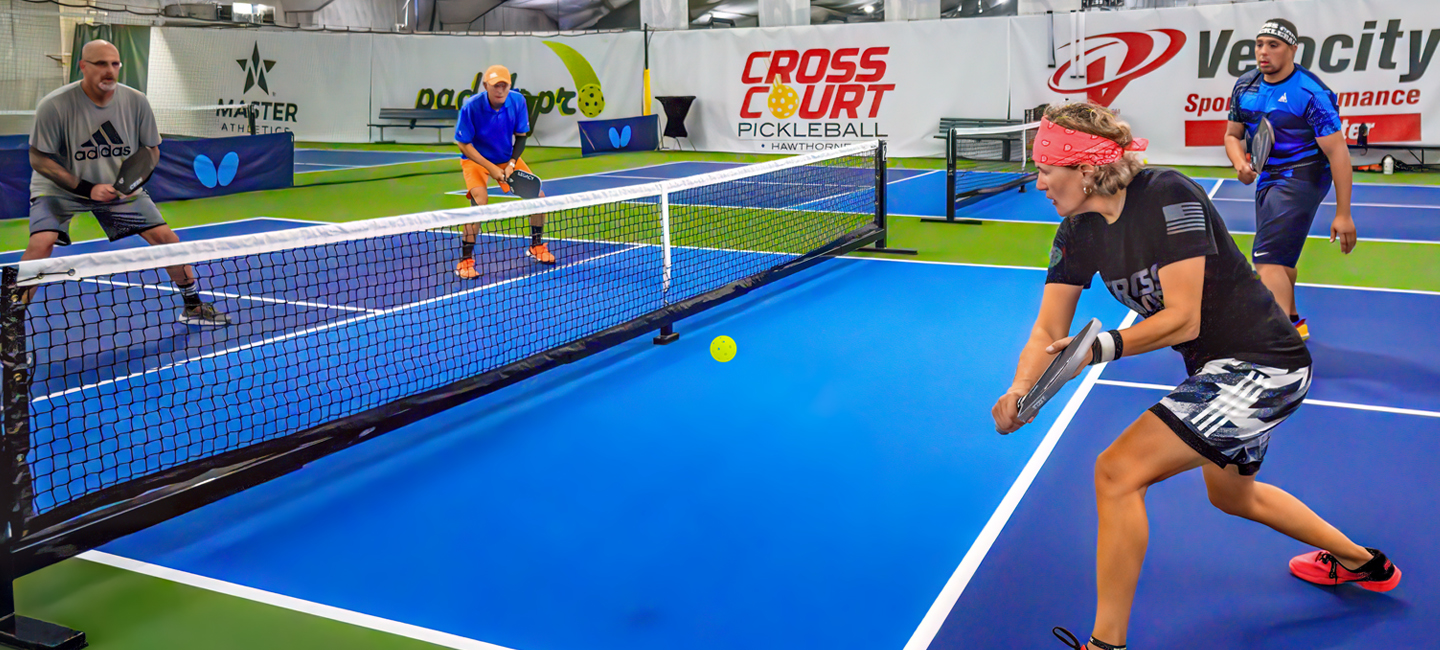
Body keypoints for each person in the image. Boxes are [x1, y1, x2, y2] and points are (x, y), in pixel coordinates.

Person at [992, 103, 1398, 650]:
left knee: (1116, 473)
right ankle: (1365, 565)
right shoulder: (1076, 232)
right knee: (1233, 497)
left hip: (1265, 363)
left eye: (1046, 169)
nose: (1038, 182)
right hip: (1217, 369)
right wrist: (1021, 388)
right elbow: (1047, 327)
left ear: (1086, 169)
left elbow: (1184, 317)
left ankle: (1106, 645)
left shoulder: (1167, 194)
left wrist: (1099, 349)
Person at [25, 39, 229, 326]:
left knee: (167, 240)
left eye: (114, 64)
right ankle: (9, 323)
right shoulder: (55, 105)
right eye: (100, 64)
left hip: (117, 189)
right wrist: (87, 189)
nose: (109, 70)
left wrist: (127, 186)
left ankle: (193, 307)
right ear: (82, 66)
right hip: (61, 189)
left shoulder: (136, 101)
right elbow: (39, 159)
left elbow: (151, 151)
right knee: (41, 244)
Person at [1224, 18, 1356, 341]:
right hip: (1267, 175)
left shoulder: (1310, 92)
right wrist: (1240, 163)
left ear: (1292, 50)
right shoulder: (1245, 86)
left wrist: (1343, 213)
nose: (1263, 52)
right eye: (1259, 44)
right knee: (1282, 260)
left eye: (1273, 45)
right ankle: (1295, 323)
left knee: (1266, 260)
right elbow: (1231, 135)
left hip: (1305, 173)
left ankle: (1280, 346)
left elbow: (1338, 152)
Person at [454, 64, 553, 279]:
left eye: (504, 85)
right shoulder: (471, 107)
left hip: (505, 157)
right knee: (479, 202)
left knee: (539, 197)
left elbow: (521, 135)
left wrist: (510, 164)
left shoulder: (517, 101)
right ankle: (465, 261)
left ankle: (536, 246)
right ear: (486, 86)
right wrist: (490, 168)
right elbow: (463, 144)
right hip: (476, 159)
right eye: (495, 85)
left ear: (509, 86)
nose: (500, 90)